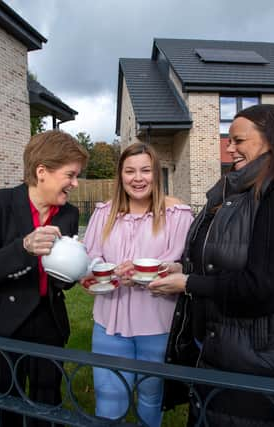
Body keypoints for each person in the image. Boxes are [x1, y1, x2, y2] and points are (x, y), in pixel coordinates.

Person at [149, 104, 274, 427]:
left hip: (262, 366)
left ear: (272, 141)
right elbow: (224, 258)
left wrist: (189, 284)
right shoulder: (240, 192)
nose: (229, 148)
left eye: (238, 140)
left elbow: (265, 287)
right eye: (228, 140)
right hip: (225, 353)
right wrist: (185, 269)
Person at [0, 130, 88, 427]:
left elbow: (60, 280)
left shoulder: (68, 214)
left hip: (47, 323)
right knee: (0, 410)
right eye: (71, 175)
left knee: (46, 406)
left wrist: (75, 271)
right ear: (42, 172)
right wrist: (24, 247)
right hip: (0, 324)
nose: (75, 184)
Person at [82, 142, 193, 427]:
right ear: (120, 176)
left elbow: (185, 263)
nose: (138, 178)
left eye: (145, 170)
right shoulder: (103, 213)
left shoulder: (177, 214)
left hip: (157, 322)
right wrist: (105, 271)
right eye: (130, 171)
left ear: (156, 174)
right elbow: (90, 256)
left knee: (151, 396)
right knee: (109, 397)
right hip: (109, 321)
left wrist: (166, 269)